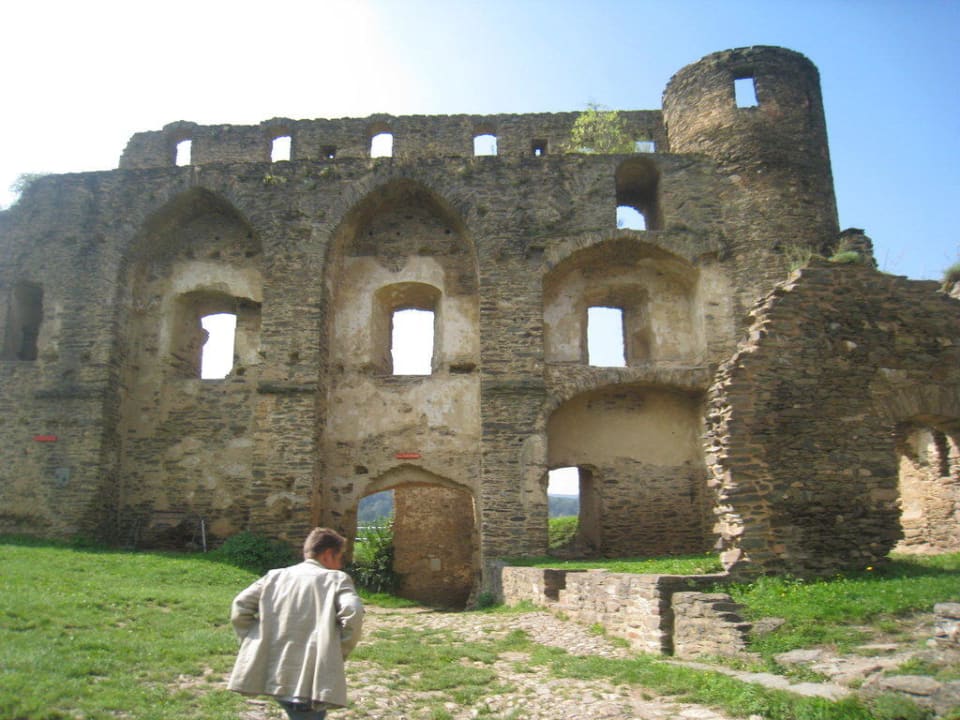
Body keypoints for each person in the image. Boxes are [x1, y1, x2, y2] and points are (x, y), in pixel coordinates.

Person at [227, 528, 365, 720]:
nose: (341, 564)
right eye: (340, 557)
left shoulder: (274, 576)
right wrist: (338, 650)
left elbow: (240, 607)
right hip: (310, 678)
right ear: (327, 555)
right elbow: (353, 612)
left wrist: (253, 642)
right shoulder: (336, 579)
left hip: (277, 672)